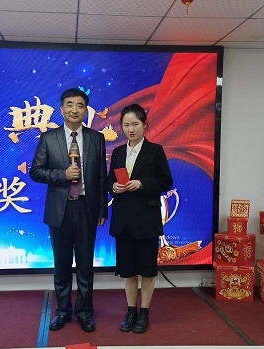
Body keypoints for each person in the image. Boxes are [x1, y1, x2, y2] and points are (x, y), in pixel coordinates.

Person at [30, 88, 108, 332]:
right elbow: (36, 171)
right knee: (62, 264)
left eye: (80, 105)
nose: (75, 110)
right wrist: (61, 175)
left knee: (85, 265)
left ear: (86, 110)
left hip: (86, 208)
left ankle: (84, 312)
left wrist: (102, 210)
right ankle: (63, 311)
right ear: (62, 109)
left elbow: (101, 178)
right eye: (70, 105)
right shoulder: (48, 138)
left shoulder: (96, 138)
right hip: (59, 209)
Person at [107, 103, 173, 333]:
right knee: (127, 270)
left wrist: (142, 183)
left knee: (146, 269)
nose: (131, 129)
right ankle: (131, 310)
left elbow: (166, 181)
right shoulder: (118, 152)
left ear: (145, 125)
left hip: (146, 219)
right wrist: (113, 187)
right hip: (123, 219)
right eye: (126, 125)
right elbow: (109, 180)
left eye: (135, 124)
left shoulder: (155, 151)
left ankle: (144, 311)